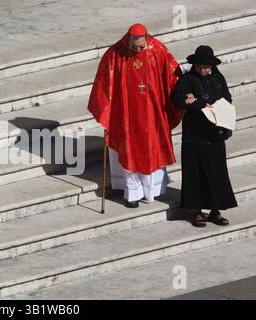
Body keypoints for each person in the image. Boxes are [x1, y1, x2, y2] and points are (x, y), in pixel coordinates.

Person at [88, 23, 183, 208]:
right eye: (134, 47)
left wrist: (184, 89)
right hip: (126, 115)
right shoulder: (115, 54)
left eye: (141, 46)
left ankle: (151, 190)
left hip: (153, 112)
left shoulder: (157, 49)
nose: (138, 50)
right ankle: (131, 193)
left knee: (150, 149)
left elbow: (172, 75)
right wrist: (105, 109)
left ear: (146, 39)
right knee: (129, 150)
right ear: (128, 39)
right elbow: (103, 83)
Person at [171, 45, 237, 227]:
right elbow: (177, 100)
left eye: (206, 67)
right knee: (195, 174)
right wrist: (198, 103)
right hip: (195, 136)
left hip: (215, 134)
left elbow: (227, 98)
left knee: (217, 174)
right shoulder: (188, 79)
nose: (203, 70)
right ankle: (197, 211)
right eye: (200, 67)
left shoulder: (218, 77)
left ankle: (215, 211)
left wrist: (205, 102)